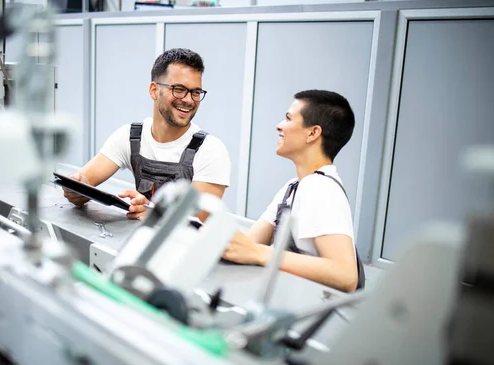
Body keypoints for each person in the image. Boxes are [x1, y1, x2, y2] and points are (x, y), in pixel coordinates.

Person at [63, 48, 231, 220]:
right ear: (154, 90)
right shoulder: (131, 136)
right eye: (179, 89)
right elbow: (86, 179)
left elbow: (198, 216)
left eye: (195, 92)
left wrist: (153, 212)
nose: (189, 100)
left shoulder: (211, 150)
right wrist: (76, 188)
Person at [222, 90, 364, 293]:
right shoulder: (293, 188)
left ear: (313, 133)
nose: (279, 125)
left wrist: (259, 253)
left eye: (288, 118)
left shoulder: (322, 189)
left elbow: (346, 275)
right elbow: (248, 244)